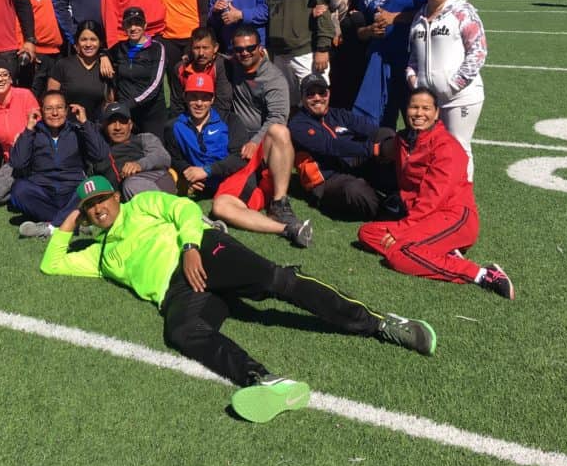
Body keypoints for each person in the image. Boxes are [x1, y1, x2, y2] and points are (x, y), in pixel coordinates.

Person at [40, 178, 438, 423]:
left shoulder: (140, 204)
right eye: (90, 207)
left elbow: (183, 208)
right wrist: (70, 221)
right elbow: (52, 264)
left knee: (275, 280)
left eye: (102, 199)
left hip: (200, 250)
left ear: (115, 196)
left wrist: (190, 246)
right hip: (178, 292)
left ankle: (381, 323)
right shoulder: (100, 255)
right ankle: (264, 381)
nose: (99, 209)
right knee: (182, 331)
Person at [357, 88, 515, 300]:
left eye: (426, 108)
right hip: (421, 218)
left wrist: (402, 230)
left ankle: (483, 275)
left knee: (399, 254)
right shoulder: (403, 140)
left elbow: (432, 200)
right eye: (414, 107)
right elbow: (382, 151)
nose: (419, 113)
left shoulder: (447, 147)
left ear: (437, 113)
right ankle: (442, 251)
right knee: (367, 233)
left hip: (453, 216)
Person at [218, 26, 309, 245]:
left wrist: (255, 141)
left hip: (261, 144)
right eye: (239, 49)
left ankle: (279, 202)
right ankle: (286, 229)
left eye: (250, 48)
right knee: (221, 207)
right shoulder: (233, 65)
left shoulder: (273, 78)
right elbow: (213, 54)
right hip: (238, 145)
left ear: (260, 48)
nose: (244, 53)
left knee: (279, 131)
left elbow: (278, 117)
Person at [406, 0, 487, 181]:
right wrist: (414, 81)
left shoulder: (463, 12)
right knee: (432, 148)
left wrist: (453, 85)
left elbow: (478, 51)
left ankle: (461, 196)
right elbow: (414, 56)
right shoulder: (419, 15)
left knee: (458, 148)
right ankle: (438, 194)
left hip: (460, 97)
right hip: (429, 100)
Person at [288, 74, 397, 221]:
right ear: (302, 98)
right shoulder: (297, 124)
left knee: (385, 134)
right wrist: (373, 149)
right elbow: (330, 145)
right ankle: (387, 207)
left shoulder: (338, 114)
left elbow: (371, 129)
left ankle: (402, 186)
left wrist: (391, 144)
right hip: (327, 179)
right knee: (355, 191)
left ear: (328, 93)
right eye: (310, 94)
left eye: (321, 92)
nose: (317, 98)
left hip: (351, 164)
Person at [10, 90, 110, 238]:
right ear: (41, 111)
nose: (55, 113)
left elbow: (101, 154)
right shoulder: (33, 133)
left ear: (67, 110)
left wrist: (85, 123)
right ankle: (74, 223)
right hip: (43, 191)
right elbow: (18, 163)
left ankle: (51, 227)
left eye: (59, 108)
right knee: (19, 189)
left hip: (73, 191)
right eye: (49, 109)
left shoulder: (78, 130)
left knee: (92, 185)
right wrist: (29, 128)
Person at [353, 0, 426, 128]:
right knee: (382, 124)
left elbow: (431, 11)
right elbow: (360, 32)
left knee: (417, 120)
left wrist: (396, 17)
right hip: (380, 64)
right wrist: (370, 30)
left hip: (411, 61)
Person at [164, 72, 250, 198]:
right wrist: (187, 172)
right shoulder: (174, 126)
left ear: (212, 99)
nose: (199, 103)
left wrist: (207, 170)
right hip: (201, 187)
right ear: (185, 97)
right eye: (194, 97)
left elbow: (240, 157)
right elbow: (174, 158)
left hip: (231, 181)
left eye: (205, 98)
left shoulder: (230, 120)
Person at [0, 61, 39, 208]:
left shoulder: (25, 95)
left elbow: (41, 127)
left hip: (37, 156)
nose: (0, 79)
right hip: (13, 164)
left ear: (11, 79)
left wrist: (25, 138)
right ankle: (22, 189)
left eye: (4, 75)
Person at [311, 0, 368, 109]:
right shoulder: (318, 1)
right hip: (333, 60)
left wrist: (359, 19)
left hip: (355, 58)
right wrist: (311, 14)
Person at [93, 102, 175, 199]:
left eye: (122, 122)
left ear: (130, 125)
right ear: (105, 126)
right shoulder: (101, 151)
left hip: (155, 184)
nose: (117, 127)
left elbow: (163, 158)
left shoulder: (144, 138)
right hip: (122, 198)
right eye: (112, 122)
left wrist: (139, 165)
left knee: (131, 184)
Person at [108, 7, 168, 139]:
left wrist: (132, 103)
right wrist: (103, 56)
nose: (133, 28)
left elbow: (155, 83)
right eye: (129, 24)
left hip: (151, 112)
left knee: (153, 149)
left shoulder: (156, 48)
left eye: (138, 23)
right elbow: (104, 53)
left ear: (145, 25)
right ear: (124, 27)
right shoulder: (119, 48)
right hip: (126, 112)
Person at [46, 20, 114, 122]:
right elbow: (50, 99)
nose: (88, 44)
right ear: (77, 42)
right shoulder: (63, 65)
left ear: (100, 42)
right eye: (83, 39)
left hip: (94, 126)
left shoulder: (105, 67)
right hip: (66, 126)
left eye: (93, 39)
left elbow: (109, 102)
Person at [170, 26, 234, 116]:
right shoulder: (180, 69)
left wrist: (204, 122)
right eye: (196, 48)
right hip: (188, 117)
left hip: (216, 117)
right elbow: (177, 104)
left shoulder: (221, 66)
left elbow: (223, 103)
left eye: (205, 48)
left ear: (215, 48)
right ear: (191, 48)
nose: (201, 53)